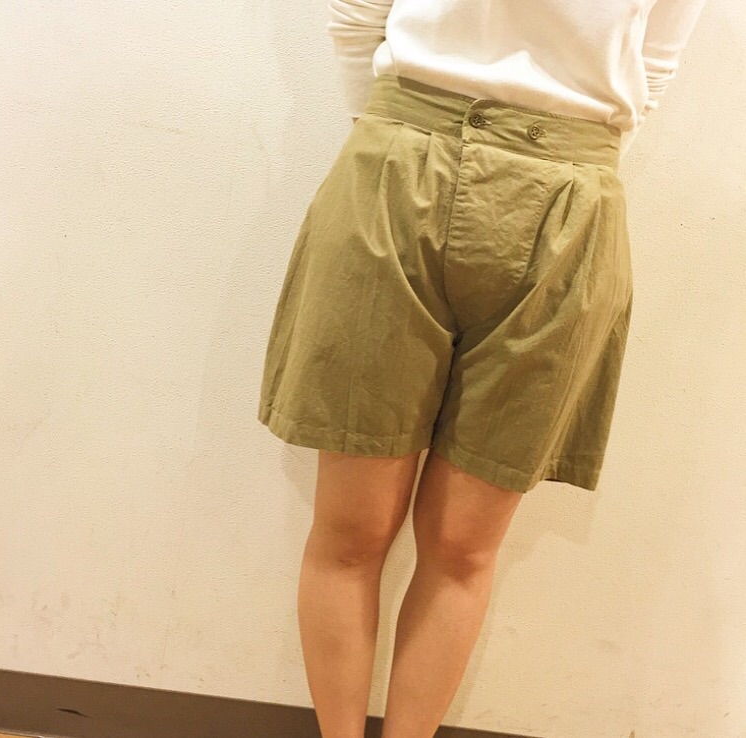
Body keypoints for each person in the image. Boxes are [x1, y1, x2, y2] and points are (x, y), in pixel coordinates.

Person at [258, 1, 708, 736]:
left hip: (571, 192)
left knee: (463, 545)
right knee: (351, 528)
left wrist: (564, 155)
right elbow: (358, 11)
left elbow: (653, 62)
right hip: (398, 165)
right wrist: (395, 136)